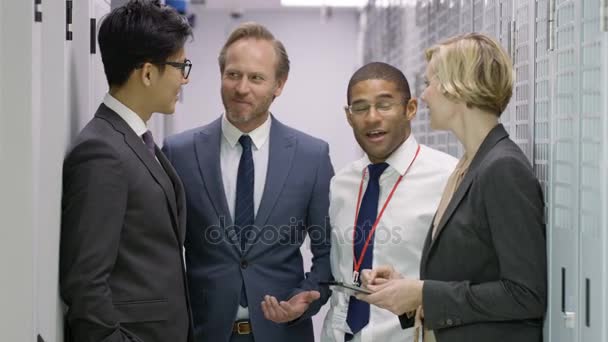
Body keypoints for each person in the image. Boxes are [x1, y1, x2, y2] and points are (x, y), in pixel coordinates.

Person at [357, 33, 547, 342]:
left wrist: (423, 293)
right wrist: (407, 291)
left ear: (458, 87)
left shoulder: (502, 168)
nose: (426, 95)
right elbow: (473, 274)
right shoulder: (470, 165)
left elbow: (525, 294)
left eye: (431, 82)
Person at [162, 22, 333, 342]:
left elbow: (328, 254)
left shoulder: (312, 156)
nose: (242, 88)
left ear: (279, 84)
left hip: (283, 334)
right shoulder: (179, 153)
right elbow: (161, 252)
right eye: (233, 75)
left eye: (256, 78)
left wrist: (306, 298)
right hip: (201, 334)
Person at [59, 1, 193, 341]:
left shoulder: (133, 140)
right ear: (148, 73)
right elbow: (85, 282)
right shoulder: (102, 151)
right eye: (180, 66)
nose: (184, 79)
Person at [320, 62, 457, 342]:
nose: (372, 118)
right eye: (360, 108)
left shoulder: (448, 179)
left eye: (384, 105)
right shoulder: (341, 184)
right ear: (348, 116)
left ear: (410, 109)